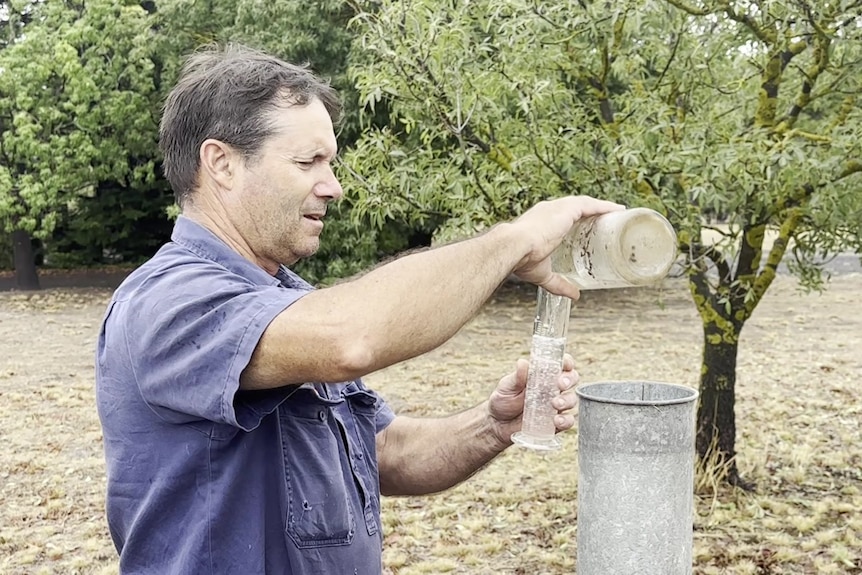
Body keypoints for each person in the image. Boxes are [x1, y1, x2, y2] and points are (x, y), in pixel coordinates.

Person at [94, 43, 624, 574]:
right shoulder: (168, 301)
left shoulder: (287, 302)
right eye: (308, 162)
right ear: (222, 163)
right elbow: (352, 339)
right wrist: (518, 240)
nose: (334, 186)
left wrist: (493, 425)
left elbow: (384, 452)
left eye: (331, 163)